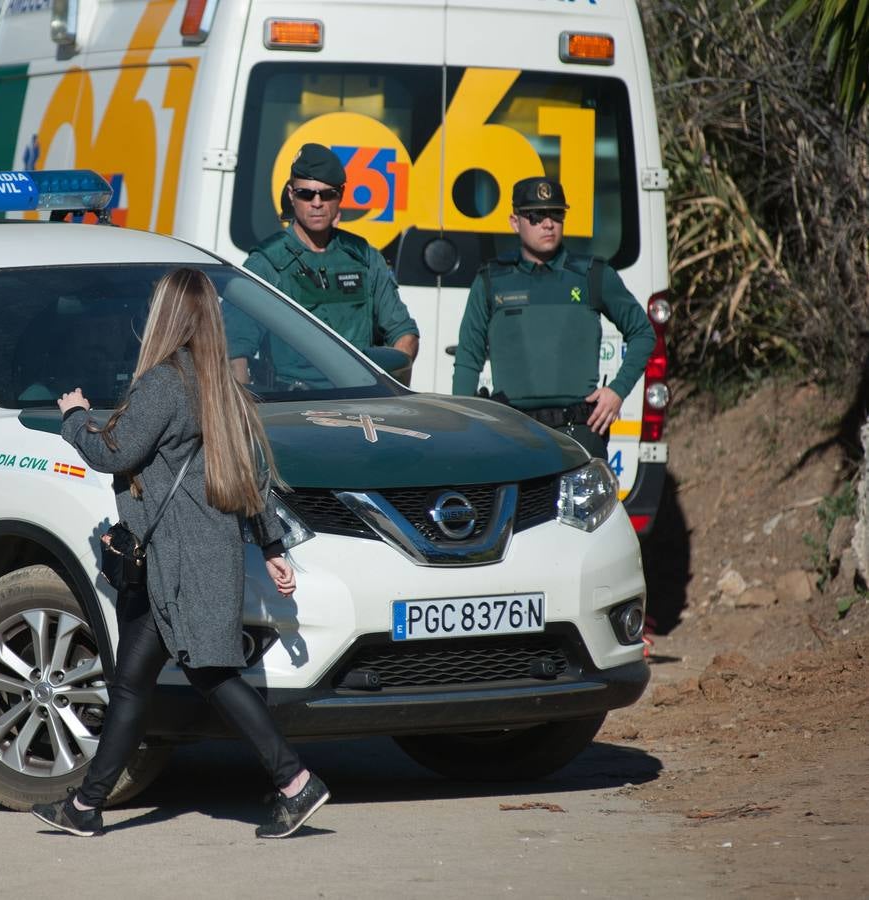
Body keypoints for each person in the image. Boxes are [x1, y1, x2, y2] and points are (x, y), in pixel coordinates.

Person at [32, 267, 330, 839]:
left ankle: (295, 781)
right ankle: (86, 806)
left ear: (165, 316)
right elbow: (251, 478)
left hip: (174, 564)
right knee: (133, 684)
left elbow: (114, 453)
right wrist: (270, 544)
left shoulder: (165, 383)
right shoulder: (223, 386)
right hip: (202, 556)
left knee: (212, 674)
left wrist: (75, 418)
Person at [451, 176, 655, 460]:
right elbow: (468, 357)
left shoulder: (593, 275)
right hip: (512, 433)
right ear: (514, 222)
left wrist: (617, 391)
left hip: (581, 433)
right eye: (536, 215)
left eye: (556, 214)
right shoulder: (491, 281)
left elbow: (643, 334)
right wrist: (463, 427)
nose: (548, 224)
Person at [233, 142, 419, 388]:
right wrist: (249, 413)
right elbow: (234, 350)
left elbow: (405, 334)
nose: (317, 202)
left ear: (340, 195)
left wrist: (389, 388)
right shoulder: (266, 264)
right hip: (293, 404)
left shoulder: (364, 258)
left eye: (327, 194)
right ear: (292, 195)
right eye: (306, 194)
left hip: (359, 400)